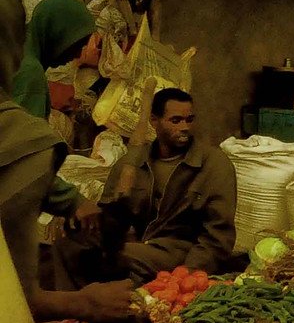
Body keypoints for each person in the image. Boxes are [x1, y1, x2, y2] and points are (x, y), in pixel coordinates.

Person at [0, 0, 133, 323]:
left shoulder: (27, 67)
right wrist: (72, 200)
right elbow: (19, 156)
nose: (76, 55)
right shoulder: (28, 73)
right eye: (75, 44)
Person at [60, 88, 239, 285]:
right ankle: (75, 309)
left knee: (120, 259)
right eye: (176, 120)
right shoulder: (133, 162)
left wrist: (186, 275)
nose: (185, 127)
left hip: (180, 250)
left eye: (190, 119)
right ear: (154, 121)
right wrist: (88, 224)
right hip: (140, 244)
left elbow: (218, 237)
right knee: (68, 248)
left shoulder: (213, 164)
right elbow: (110, 218)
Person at [10, 0, 95, 120]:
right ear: (57, 32)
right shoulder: (31, 72)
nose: (77, 55)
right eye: (76, 45)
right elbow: (28, 138)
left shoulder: (15, 42)